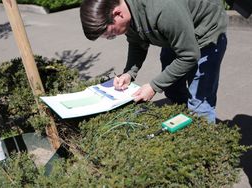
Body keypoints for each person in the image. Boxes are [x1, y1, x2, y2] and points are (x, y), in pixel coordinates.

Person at [80, 0, 227, 123]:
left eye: (111, 34)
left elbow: (189, 55)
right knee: (172, 88)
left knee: (199, 105)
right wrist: (129, 73)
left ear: (118, 13)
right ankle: (185, 123)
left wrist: (153, 86)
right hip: (176, 34)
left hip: (206, 35)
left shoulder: (163, 9)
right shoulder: (128, 12)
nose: (113, 37)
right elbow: (137, 42)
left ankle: (203, 146)